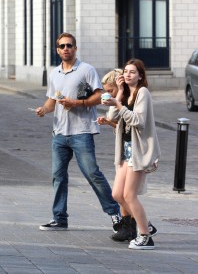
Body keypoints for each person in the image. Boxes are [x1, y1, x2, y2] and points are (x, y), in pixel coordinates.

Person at [35, 32, 121, 231]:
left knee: (92, 173)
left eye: (69, 45)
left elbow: (100, 96)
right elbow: (52, 100)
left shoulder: (86, 70)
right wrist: (44, 110)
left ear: (75, 48)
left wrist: (77, 102)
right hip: (59, 133)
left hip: (82, 131)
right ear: (57, 50)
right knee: (58, 176)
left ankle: (115, 213)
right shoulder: (55, 73)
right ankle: (59, 218)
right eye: (62, 46)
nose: (66, 49)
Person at [102, 59, 161, 249]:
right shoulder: (125, 93)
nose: (127, 75)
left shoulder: (142, 93)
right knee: (117, 194)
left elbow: (138, 121)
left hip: (138, 151)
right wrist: (118, 94)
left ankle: (145, 236)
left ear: (140, 76)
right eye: (126, 71)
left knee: (129, 195)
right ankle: (146, 224)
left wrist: (119, 106)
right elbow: (112, 117)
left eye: (132, 72)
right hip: (125, 151)